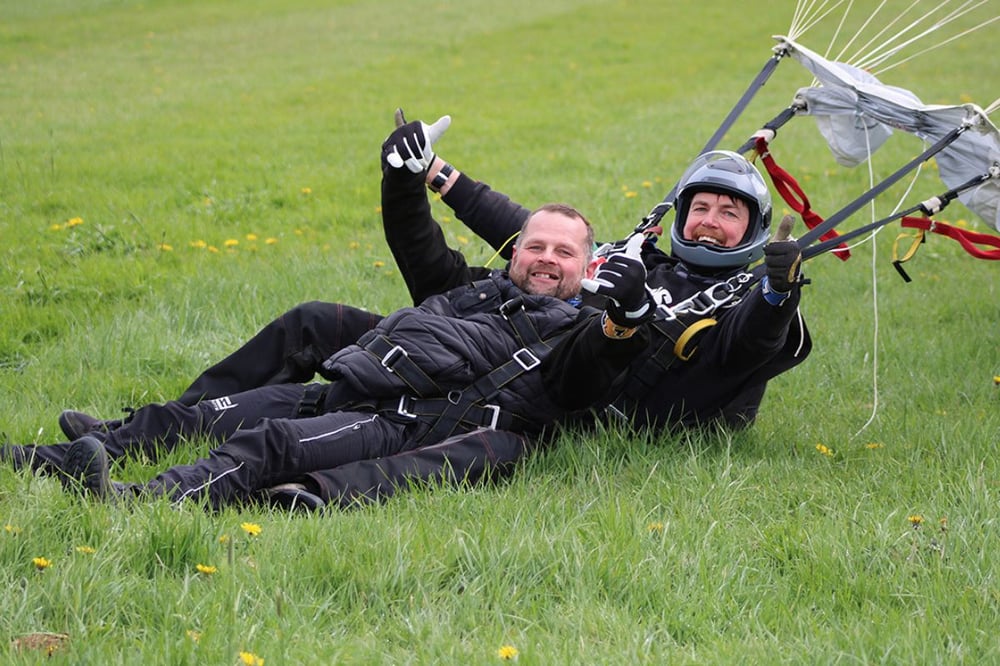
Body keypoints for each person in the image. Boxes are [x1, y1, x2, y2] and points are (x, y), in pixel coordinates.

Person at [7, 113, 809, 510]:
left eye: (726, 214)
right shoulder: (602, 261)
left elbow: (749, 346)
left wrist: (771, 291)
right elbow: (524, 239)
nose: (708, 221)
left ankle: (140, 495)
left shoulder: (729, 293)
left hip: (519, 385)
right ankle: (92, 449)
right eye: (699, 207)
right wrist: (423, 175)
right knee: (312, 331)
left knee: (288, 436)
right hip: (439, 350)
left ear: (752, 229)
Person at [59, 189, 656, 509]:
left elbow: (585, 378)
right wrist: (403, 178)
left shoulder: (578, 333)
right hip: (349, 387)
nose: (546, 260)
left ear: (588, 264)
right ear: (516, 250)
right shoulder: (482, 288)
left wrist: (624, 322)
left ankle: (135, 502)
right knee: (205, 414)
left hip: (399, 425)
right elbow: (422, 249)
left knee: (270, 444)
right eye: (536, 246)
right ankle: (61, 456)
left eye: (563, 253)